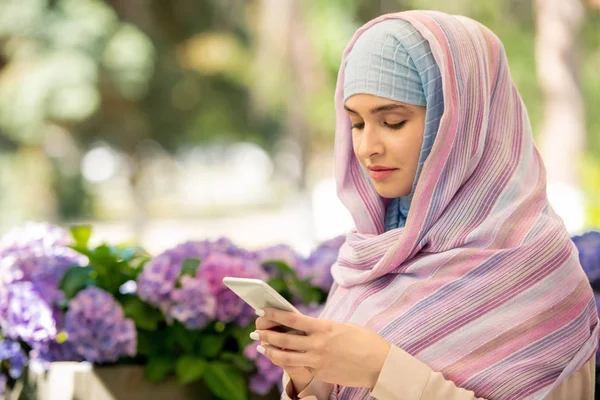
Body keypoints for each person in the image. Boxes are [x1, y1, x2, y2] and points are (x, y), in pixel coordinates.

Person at [252, 10, 599, 400]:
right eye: (357, 123)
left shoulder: (536, 270)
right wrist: (308, 378)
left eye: (394, 122)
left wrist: (381, 368)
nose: (367, 148)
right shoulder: (372, 258)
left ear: (462, 124)